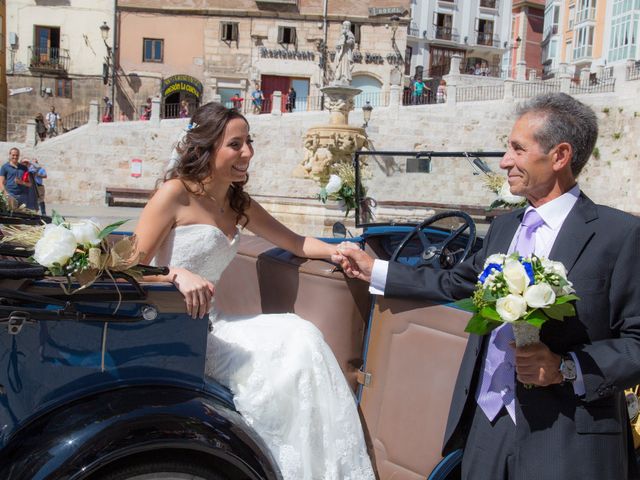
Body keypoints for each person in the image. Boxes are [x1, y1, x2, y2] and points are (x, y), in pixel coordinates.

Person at [334, 92, 640, 480]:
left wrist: (565, 368)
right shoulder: (504, 227)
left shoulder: (621, 235)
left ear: (560, 156)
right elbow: (454, 282)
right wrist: (373, 269)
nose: (504, 161)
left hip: (568, 438)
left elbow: (637, 342)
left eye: (516, 149)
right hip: (486, 426)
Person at [134, 102, 375, 480]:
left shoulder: (237, 202)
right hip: (177, 329)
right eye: (235, 144)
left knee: (303, 336)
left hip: (216, 323)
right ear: (206, 148)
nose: (247, 152)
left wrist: (339, 251)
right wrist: (175, 273)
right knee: (292, 349)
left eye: (249, 142)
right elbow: (126, 269)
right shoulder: (174, 194)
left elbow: (294, 241)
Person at [333, 20, 356, 86]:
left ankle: (345, 77)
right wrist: (338, 46)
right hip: (340, 53)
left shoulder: (350, 34)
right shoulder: (341, 34)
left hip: (346, 52)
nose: (345, 27)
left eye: (346, 25)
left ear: (349, 27)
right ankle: (339, 76)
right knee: (340, 64)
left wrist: (346, 41)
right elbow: (338, 43)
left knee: (345, 64)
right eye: (344, 25)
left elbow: (351, 42)